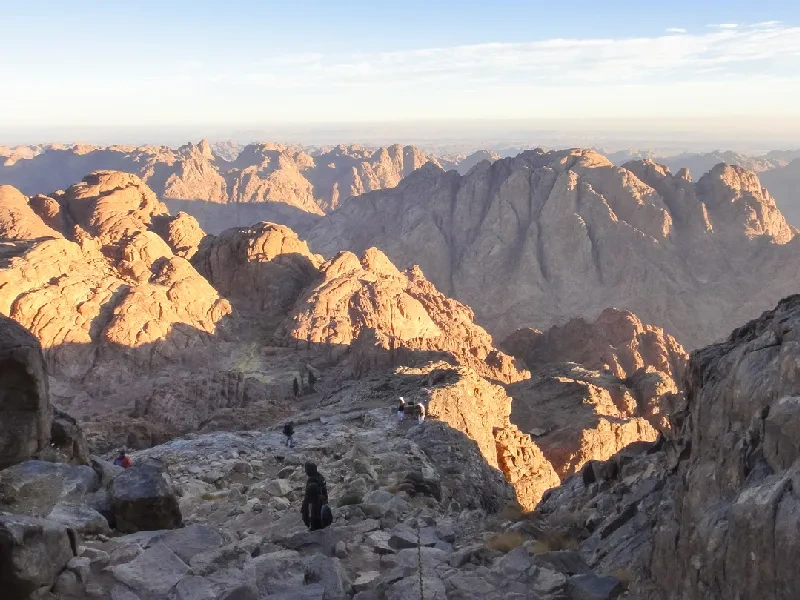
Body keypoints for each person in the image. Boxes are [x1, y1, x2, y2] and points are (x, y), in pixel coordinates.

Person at [301, 461, 329, 531]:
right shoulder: (320, 477)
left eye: (307, 469)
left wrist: (304, 509)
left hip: (314, 505)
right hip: (322, 504)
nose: (306, 471)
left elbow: (309, 500)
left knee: (314, 517)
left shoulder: (312, 482)